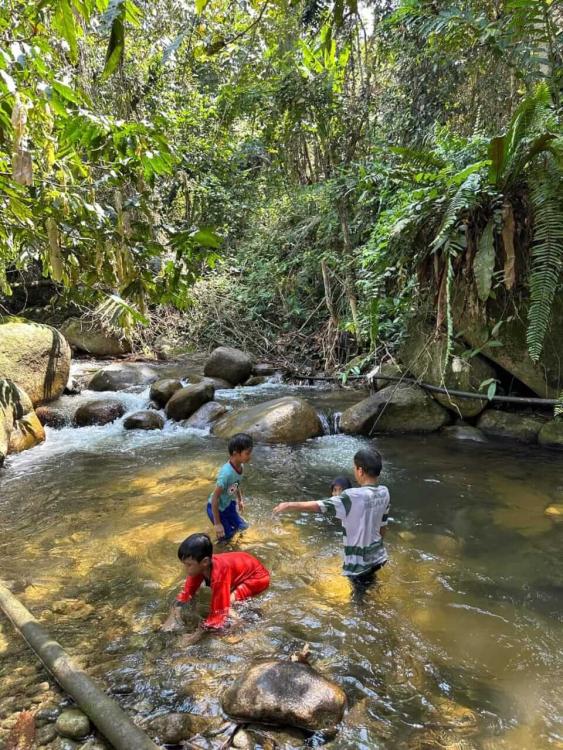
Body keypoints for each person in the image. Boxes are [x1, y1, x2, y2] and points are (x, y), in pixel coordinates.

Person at [274, 448, 390, 588]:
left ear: (360, 471)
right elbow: (383, 527)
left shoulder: (352, 496)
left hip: (358, 565)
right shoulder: (384, 492)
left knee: (358, 603)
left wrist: (289, 505)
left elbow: (320, 505)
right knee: (371, 586)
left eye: (354, 468)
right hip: (379, 557)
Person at [161, 533, 270, 638]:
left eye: (188, 565)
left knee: (227, 607)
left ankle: (241, 625)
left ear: (205, 562)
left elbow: (217, 613)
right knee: (221, 603)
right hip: (243, 571)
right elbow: (186, 593)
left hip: (257, 578)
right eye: (184, 564)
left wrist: (195, 636)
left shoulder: (219, 575)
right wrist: (172, 618)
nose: (186, 569)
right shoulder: (198, 567)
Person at [208, 433, 253, 541]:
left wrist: (240, 499)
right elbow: (215, 498)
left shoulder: (240, 467)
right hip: (216, 508)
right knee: (226, 536)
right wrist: (217, 523)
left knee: (243, 527)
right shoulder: (226, 473)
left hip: (228, 505)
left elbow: (236, 483)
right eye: (247, 453)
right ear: (235, 453)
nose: (250, 456)